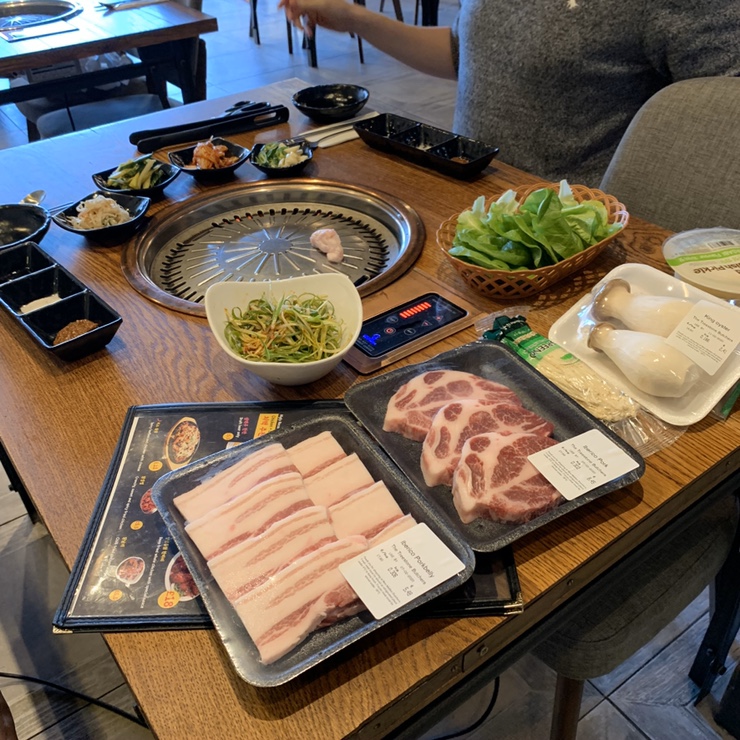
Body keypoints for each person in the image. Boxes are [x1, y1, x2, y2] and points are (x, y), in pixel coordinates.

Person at [280, 0, 740, 186]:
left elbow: (723, 123)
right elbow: (466, 55)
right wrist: (357, 19)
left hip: (570, 238)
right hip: (471, 203)